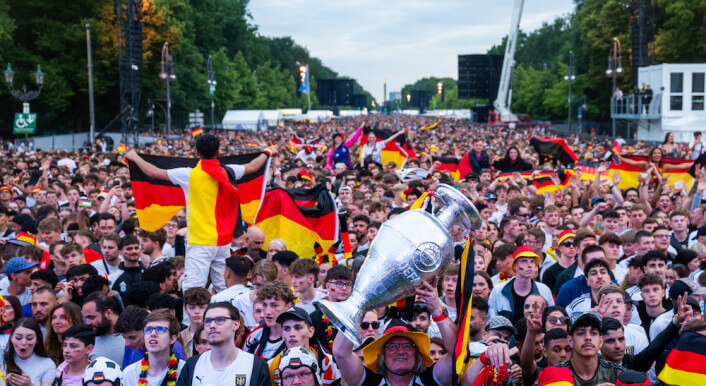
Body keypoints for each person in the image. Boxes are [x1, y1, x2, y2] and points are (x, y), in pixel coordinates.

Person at [125, 135, 276, 293]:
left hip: (199, 242)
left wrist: (134, 156)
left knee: (193, 290)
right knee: (224, 288)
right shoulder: (230, 171)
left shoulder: (188, 175)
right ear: (218, 153)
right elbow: (253, 166)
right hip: (222, 241)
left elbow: (154, 172)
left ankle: (191, 319)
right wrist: (268, 151)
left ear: (196, 153)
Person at [176, 302, 270, 386]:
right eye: (208, 321)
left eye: (220, 320)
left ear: (236, 325)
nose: (212, 325)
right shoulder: (192, 364)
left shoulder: (255, 365)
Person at [267, 307, 339, 385]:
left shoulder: (332, 363)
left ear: (311, 331)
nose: (292, 334)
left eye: (298, 328)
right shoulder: (270, 366)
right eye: (287, 329)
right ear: (282, 334)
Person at [487, 247, 554, 323]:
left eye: (532, 261)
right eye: (524, 261)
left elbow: (551, 319)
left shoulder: (544, 290)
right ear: (515, 266)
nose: (529, 265)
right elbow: (491, 322)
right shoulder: (498, 290)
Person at [123, 311, 186, 386]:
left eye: (160, 329)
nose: (153, 334)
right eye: (148, 329)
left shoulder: (184, 370)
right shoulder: (130, 373)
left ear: (172, 339)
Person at [243, 281, 294, 360]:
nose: (267, 311)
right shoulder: (254, 336)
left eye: (274, 305)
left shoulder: (296, 336)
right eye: (264, 305)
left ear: (288, 306)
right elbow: (243, 368)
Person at [3, 318, 57, 386]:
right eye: (18, 338)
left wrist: (30, 385)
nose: (23, 343)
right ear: (11, 338)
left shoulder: (48, 364)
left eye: (29, 338)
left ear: (37, 339)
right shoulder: (2, 360)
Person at [82, 292, 125, 366]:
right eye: (86, 318)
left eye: (91, 317)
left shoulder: (132, 335)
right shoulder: (87, 341)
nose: (88, 323)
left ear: (108, 313)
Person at [179, 287, 210, 359]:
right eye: (192, 307)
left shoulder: (215, 334)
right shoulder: (180, 337)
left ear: (208, 308)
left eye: (202, 307)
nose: (197, 312)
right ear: (185, 309)